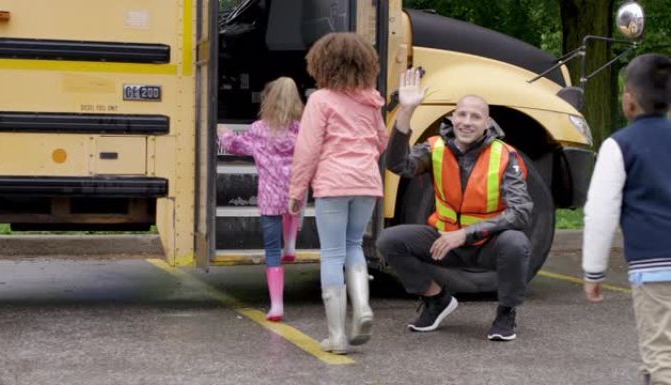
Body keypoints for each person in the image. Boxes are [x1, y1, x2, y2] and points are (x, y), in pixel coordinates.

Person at [376, 68, 533, 341]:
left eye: (475, 116)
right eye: (462, 114)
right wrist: (406, 111)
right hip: (445, 240)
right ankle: (436, 300)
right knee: (389, 240)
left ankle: (506, 312)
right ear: (452, 118)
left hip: (487, 244)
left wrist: (465, 234)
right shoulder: (435, 147)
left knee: (516, 243)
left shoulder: (506, 156)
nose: (467, 122)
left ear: (488, 123)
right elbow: (397, 164)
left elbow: (520, 213)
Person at [288, 32, 388, 354]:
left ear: (323, 64)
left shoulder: (320, 100)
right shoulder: (372, 99)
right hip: (367, 183)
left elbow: (308, 149)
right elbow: (382, 141)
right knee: (354, 244)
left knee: (331, 254)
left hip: (333, 183)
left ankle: (337, 336)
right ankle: (362, 307)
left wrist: (296, 189)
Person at [582, 53, 671, 385]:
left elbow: (600, 213)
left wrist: (594, 271)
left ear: (630, 101)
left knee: (662, 354)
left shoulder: (618, 145)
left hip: (655, 266)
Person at [218, 76, 304, 322]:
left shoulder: (258, 130)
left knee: (270, 252)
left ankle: (276, 306)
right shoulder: (300, 130)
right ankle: (291, 244)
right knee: (295, 204)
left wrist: (224, 133)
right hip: (294, 192)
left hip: (269, 197)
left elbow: (237, 147)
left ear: (269, 100)